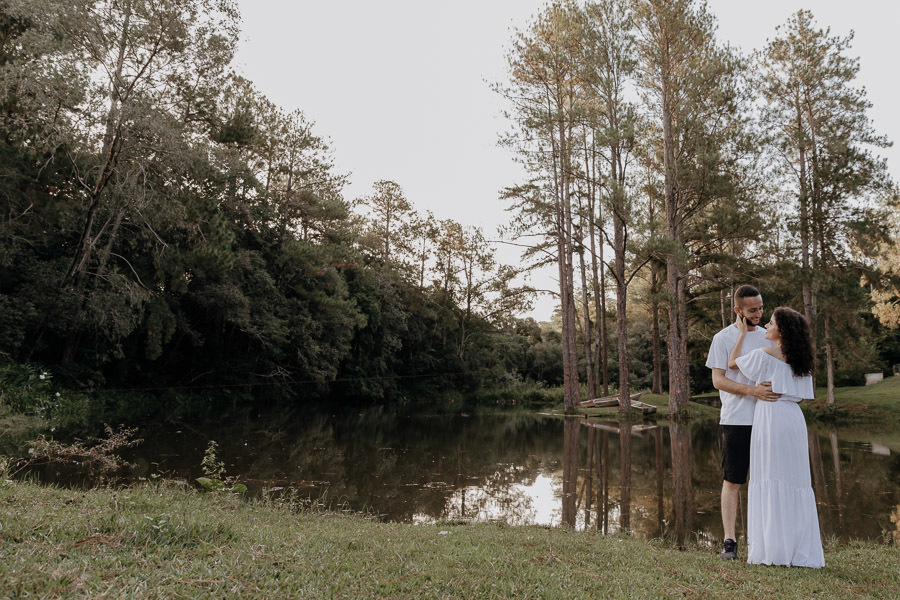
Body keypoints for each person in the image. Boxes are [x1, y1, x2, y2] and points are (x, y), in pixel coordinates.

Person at [730, 307, 825, 567]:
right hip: (793, 420)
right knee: (795, 481)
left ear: (780, 331)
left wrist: (740, 334)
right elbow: (802, 394)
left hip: (771, 418)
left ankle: (773, 550)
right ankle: (798, 551)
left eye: (770, 323)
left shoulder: (763, 355)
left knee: (770, 476)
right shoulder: (800, 361)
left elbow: (732, 363)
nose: (767, 326)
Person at [705, 285, 779, 560]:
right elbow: (718, 380)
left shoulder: (769, 337)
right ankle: (729, 542)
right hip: (737, 420)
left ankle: (765, 539)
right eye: (752, 310)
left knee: (767, 479)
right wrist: (752, 391)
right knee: (733, 480)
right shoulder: (722, 338)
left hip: (768, 418)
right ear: (737, 310)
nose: (759, 313)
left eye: (761, 308)